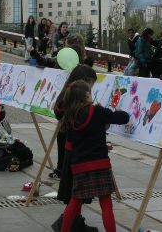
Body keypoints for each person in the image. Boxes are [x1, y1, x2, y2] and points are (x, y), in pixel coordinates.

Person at [59, 80, 129, 232]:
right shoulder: (97, 111)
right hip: (100, 164)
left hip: (79, 165)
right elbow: (123, 118)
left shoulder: (71, 116)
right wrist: (121, 110)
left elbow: (73, 144)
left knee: (75, 201)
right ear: (86, 95)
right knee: (106, 204)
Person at [51, 65, 98, 232]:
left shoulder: (67, 94)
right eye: (90, 84)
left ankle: (74, 222)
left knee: (75, 189)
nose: (91, 89)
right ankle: (67, 223)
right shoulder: (70, 98)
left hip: (69, 145)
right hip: (73, 148)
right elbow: (59, 112)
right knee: (76, 189)